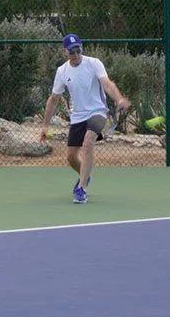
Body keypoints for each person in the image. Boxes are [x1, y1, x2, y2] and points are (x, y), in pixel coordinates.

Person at [40, 34, 130, 204]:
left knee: (88, 142)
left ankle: (81, 189)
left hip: (97, 112)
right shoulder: (62, 71)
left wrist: (119, 99)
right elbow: (53, 99)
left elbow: (107, 84)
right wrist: (45, 126)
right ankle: (85, 175)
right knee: (71, 157)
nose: (76, 54)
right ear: (65, 51)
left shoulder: (94, 63)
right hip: (77, 116)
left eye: (78, 49)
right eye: (72, 51)